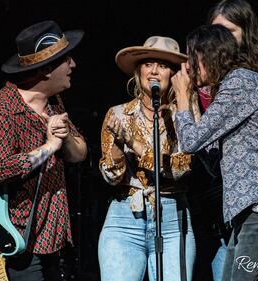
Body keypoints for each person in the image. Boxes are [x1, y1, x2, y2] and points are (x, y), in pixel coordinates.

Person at [172, 24, 258, 280]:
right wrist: (193, 112)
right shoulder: (234, 85)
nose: (187, 67)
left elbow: (189, 142)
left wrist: (183, 98)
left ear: (206, 55)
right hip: (251, 209)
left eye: (190, 57)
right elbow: (214, 163)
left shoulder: (241, 82)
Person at [0, 20, 87, 280]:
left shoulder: (53, 103)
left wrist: (64, 138)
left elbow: (79, 154)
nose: (73, 65)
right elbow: (1, 170)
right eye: (67, 59)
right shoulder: (3, 108)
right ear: (47, 69)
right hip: (15, 240)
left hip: (52, 236)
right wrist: (49, 147)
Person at [98, 36, 197, 281]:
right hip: (124, 217)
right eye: (148, 64)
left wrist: (136, 145)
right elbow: (112, 177)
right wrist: (118, 148)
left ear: (174, 74)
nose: (153, 71)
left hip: (173, 218)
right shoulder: (118, 114)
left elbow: (180, 168)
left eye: (162, 65)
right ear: (138, 70)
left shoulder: (185, 115)